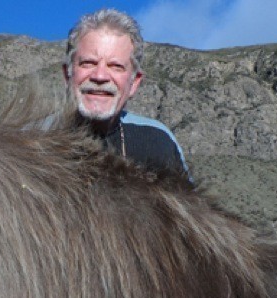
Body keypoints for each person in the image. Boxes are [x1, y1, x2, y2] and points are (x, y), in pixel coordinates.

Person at [63, 8, 191, 179]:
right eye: (88, 63)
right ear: (67, 74)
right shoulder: (33, 137)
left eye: (116, 66)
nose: (100, 76)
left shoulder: (158, 141)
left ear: (134, 83)